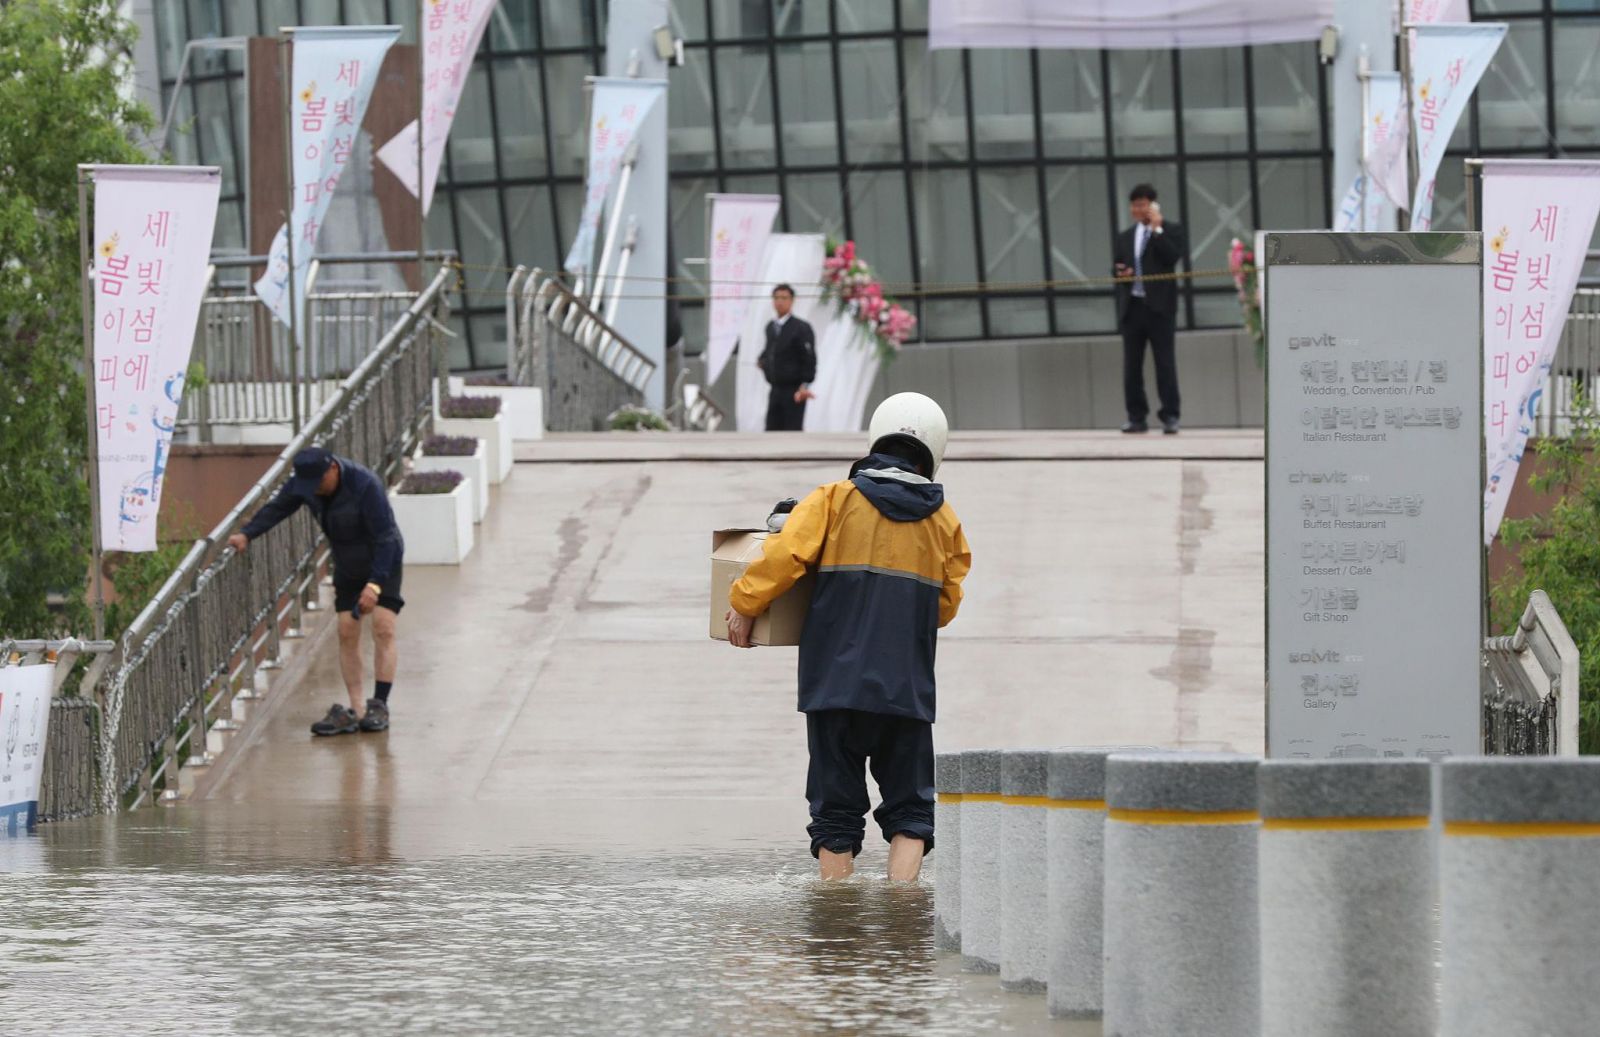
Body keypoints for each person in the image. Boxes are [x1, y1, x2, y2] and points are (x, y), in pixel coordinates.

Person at [724, 393, 972, 882]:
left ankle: (836, 924)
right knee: (911, 811)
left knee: (836, 813)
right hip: (906, 691)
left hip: (834, 686)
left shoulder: (832, 500)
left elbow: (781, 558)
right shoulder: (945, 524)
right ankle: (903, 914)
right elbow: (944, 609)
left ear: (877, 437)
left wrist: (743, 603)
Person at [227, 447, 404, 736]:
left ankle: (379, 705)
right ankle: (357, 710)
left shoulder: (365, 485)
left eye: (319, 484)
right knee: (347, 630)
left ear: (333, 468)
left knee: (383, 627)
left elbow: (386, 537)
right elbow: (279, 507)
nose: (315, 491)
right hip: (347, 562)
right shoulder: (306, 483)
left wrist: (375, 584)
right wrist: (248, 533)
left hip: (382, 559)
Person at [1113, 183, 1188, 435]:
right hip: (1132, 308)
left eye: (1143, 204)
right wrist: (1121, 272)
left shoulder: (1171, 230)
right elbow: (1116, 266)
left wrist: (1157, 229)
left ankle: (1170, 416)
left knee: (1165, 363)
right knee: (1131, 366)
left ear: (1153, 205)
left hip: (1160, 308)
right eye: (1135, 205)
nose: (1139, 209)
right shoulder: (1124, 237)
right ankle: (1136, 417)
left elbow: (1172, 257)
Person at [757, 283, 817, 432]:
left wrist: (804, 385)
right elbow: (770, 349)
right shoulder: (771, 327)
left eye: (784, 298)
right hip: (775, 388)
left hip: (793, 390)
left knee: (792, 430)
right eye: (776, 298)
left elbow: (809, 359)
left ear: (792, 301)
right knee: (772, 428)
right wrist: (763, 362)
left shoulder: (801, 327)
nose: (780, 302)